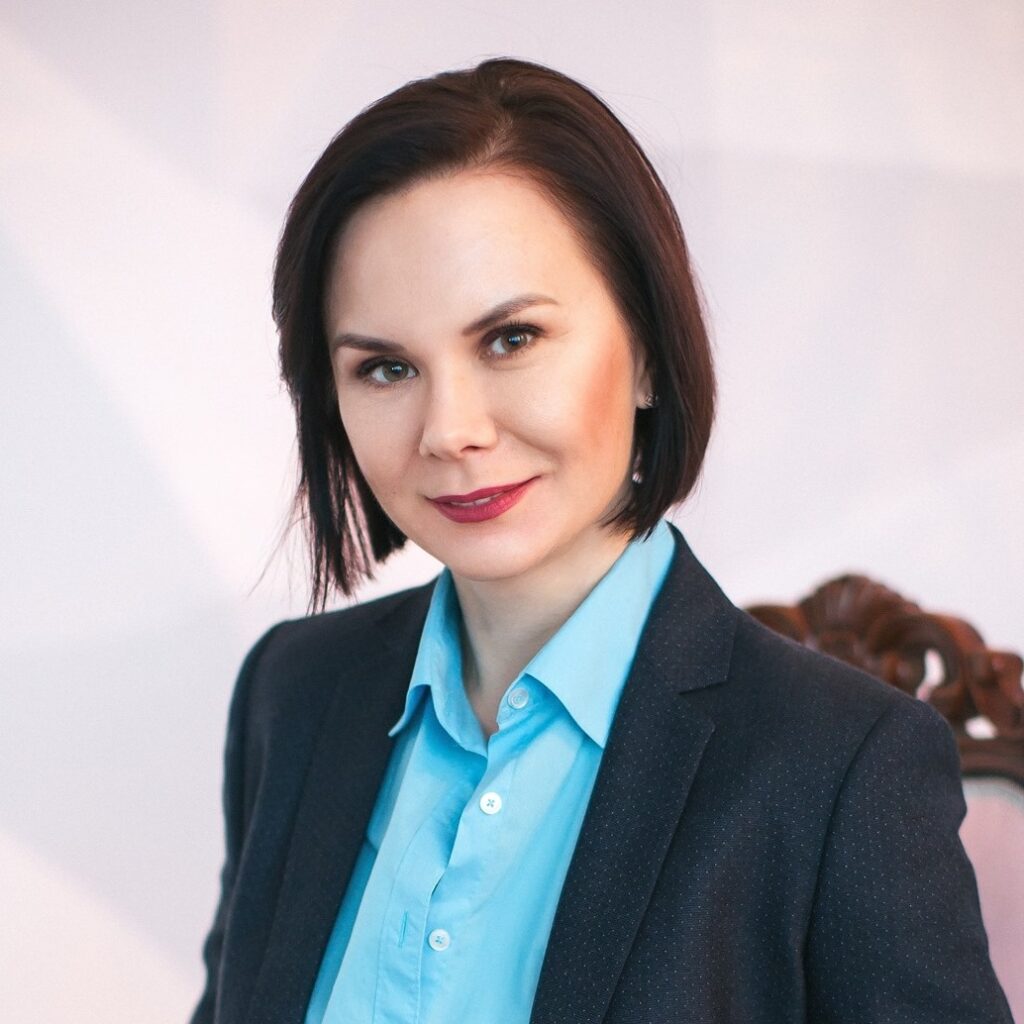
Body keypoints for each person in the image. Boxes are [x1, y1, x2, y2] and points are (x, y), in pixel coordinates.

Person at [189, 57, 1013, 1024]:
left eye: (511, 340)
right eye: (386, 368)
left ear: (648, 352)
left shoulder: (840, 767)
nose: (450, 430)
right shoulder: (293, 695)